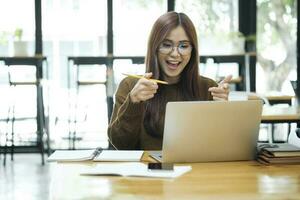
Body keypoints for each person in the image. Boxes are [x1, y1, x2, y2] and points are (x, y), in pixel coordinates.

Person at [108, 11, 231, 150]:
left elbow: (219, 148)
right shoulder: (131, 86)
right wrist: (133, 102)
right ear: (154, 48)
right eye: (166, 45)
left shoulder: (209, 88)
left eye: (183, 46)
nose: (174, 53)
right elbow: (120, 145)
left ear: (192, 50)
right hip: (145, 169)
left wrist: (223, 112)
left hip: (196, 170)